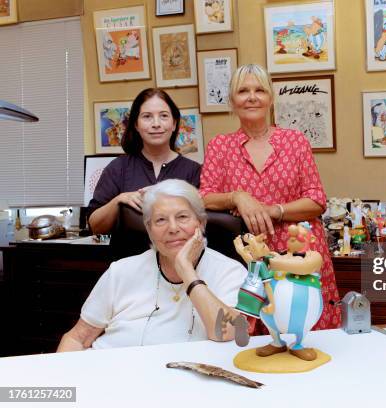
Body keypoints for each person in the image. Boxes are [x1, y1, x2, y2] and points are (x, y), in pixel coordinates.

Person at [199, 64, 341, 332]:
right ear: (232, 100)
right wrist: (237, 197)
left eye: (259, 90)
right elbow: (204, 197)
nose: (252, 97)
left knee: (306, 328)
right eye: (243, 91)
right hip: (249, 257)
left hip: (299, 252)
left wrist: (272, 210)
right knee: (255, 335)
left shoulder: (295, 141)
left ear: (270, 98)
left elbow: (316, 199)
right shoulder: (220, 146)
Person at [58, 180, 248, 351]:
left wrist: (187, 271)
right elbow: (77, 339)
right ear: (149, 230)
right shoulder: (121, 271)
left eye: (182, 217)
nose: (173, 228)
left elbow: (227, 332)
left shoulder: (230, 271)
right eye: (160, 220)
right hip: (110, 375)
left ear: (201, 223)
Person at [88, 88, 202, 259]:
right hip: (128, 268)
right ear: (136, 124)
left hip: (180, 270)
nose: (156, 123)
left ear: (174, 123)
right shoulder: (118, 168)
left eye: (163, 116)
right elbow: (95, 226)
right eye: (147, 116)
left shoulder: (193, 171)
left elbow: (201, 226)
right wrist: (119, 200)